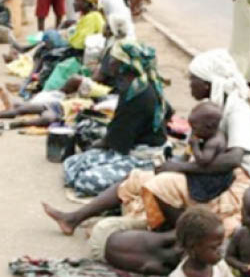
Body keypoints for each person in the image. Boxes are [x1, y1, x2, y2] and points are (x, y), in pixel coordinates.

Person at [42, 49, 250, 235]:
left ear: (208, 84)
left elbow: (234, 159)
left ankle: (176, 237)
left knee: (159, 185)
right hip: (207, 172)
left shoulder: (237, 110)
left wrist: (181, 167)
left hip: (231, 182)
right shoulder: (212, 106)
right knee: (136, 178)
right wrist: (178, 164)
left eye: (193, 79)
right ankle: (73, 219)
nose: (189, 83)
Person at [58, 38, 169, 199]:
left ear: (124, 65)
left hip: (143, 158)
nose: (109, 63)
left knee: (85, 179)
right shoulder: (136, 86)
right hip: (130, 148)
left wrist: (98, 145)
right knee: (72, 163)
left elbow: (118, 142)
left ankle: (134, 185)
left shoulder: (138, 94)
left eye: (113, 60)